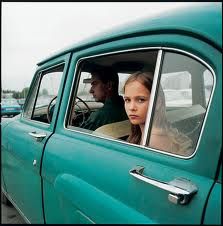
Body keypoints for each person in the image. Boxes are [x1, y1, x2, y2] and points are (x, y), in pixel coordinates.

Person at [123, 71, 192, 156]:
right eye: (127, 100)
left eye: (141, 100)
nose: (131, 107)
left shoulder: (152, 140)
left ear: (157, 103)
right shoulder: (149, 133)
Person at [80, 66, 128, 131]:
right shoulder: (127, 109)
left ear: (109, 86)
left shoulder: (99, 116)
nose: (91, 90)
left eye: (94, 84)